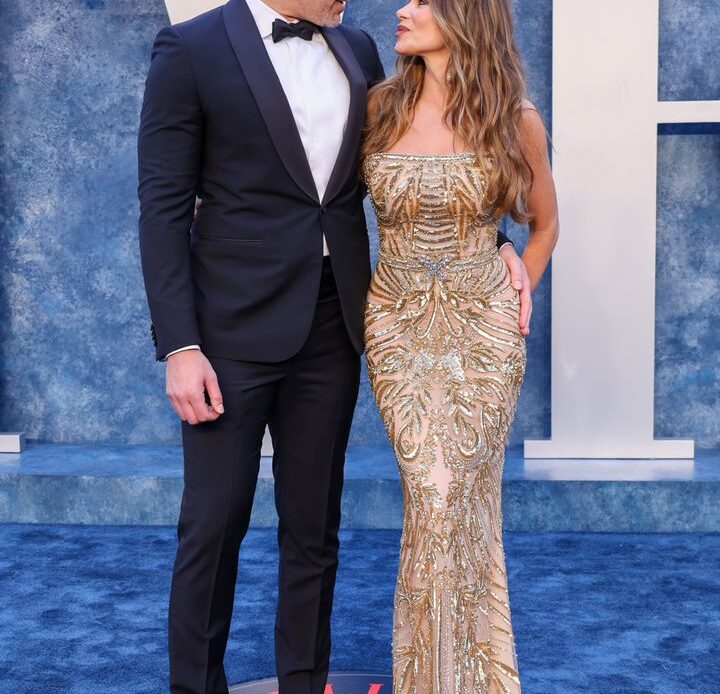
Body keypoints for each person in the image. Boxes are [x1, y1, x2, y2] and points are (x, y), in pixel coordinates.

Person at [138, 0, 530, 692]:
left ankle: (303, 681)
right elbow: (163, 209)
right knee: (214, 523)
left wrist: (491, 241)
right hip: (228, 333)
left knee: (315, 528)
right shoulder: (190, 50)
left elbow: (403, 176)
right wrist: (181, 346)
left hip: (335, 326)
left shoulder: (360, 51)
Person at [360, 0, 559, 691]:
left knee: (459, 501)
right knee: (431, 494)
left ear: (465, 17)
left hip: (483, 334)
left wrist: (519, 285)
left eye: (422, 1)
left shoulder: (516, 121)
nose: (402, 10)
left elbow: (544, 226)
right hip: (396, 327)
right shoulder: (379, 107)